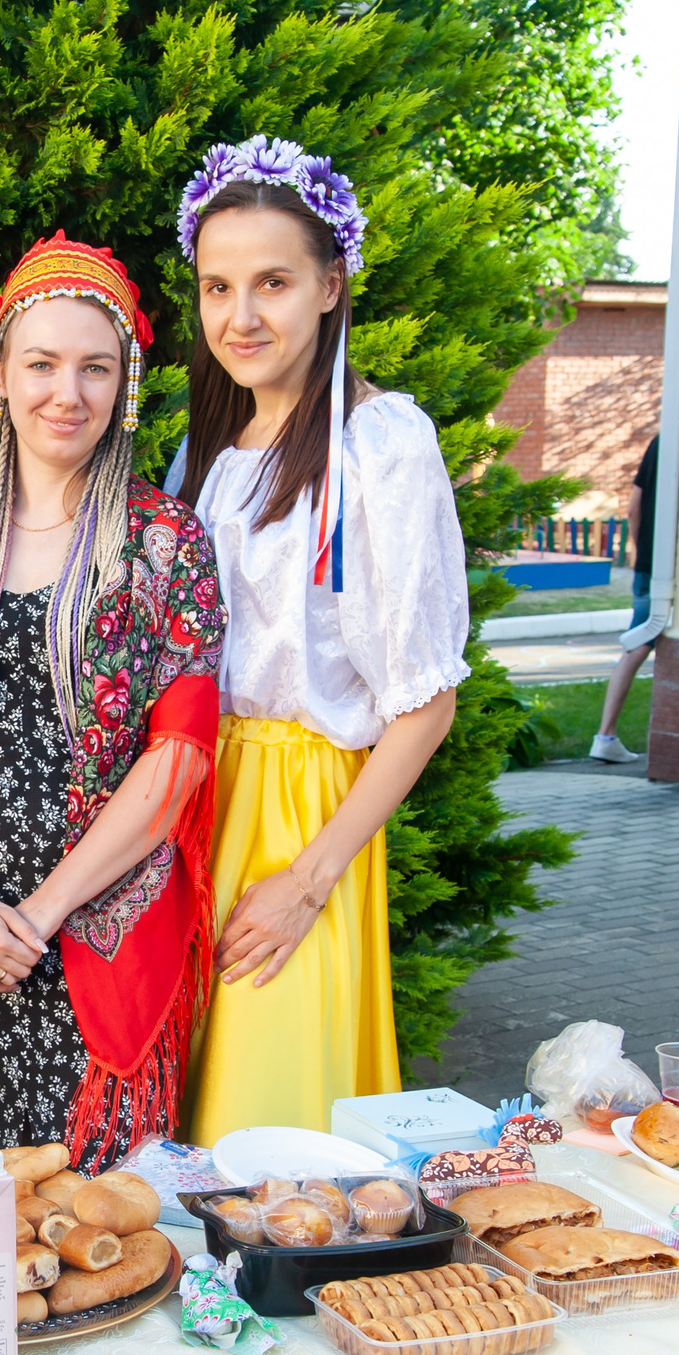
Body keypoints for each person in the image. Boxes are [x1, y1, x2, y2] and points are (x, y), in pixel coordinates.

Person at [0, 234, 222, 1173]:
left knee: (101, 1231)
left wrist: (37, 915)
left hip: (96, 934)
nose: (65, 393)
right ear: (2, 372)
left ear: (126, 385)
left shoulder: (164, 544)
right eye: (42, 363)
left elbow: (180, 755)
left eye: (94, 368)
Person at [167, 139, 471, 1138]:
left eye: (273, 283)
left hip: (300, 819)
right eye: (217, 286)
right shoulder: (210, 452)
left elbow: (424, 703)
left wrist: (306, 883)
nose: (240, 316)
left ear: (331, 285)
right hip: (193, 810)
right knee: (179, 1124)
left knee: (266, 1137)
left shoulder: (381, 444)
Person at [589, 431, 661, 763]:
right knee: (641, 642)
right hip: (674, 569)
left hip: (650, 565)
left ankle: (606, 734)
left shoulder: (662, 442)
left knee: (638, 642)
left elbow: (633, 507)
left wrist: (640, 551)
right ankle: (605, 737)